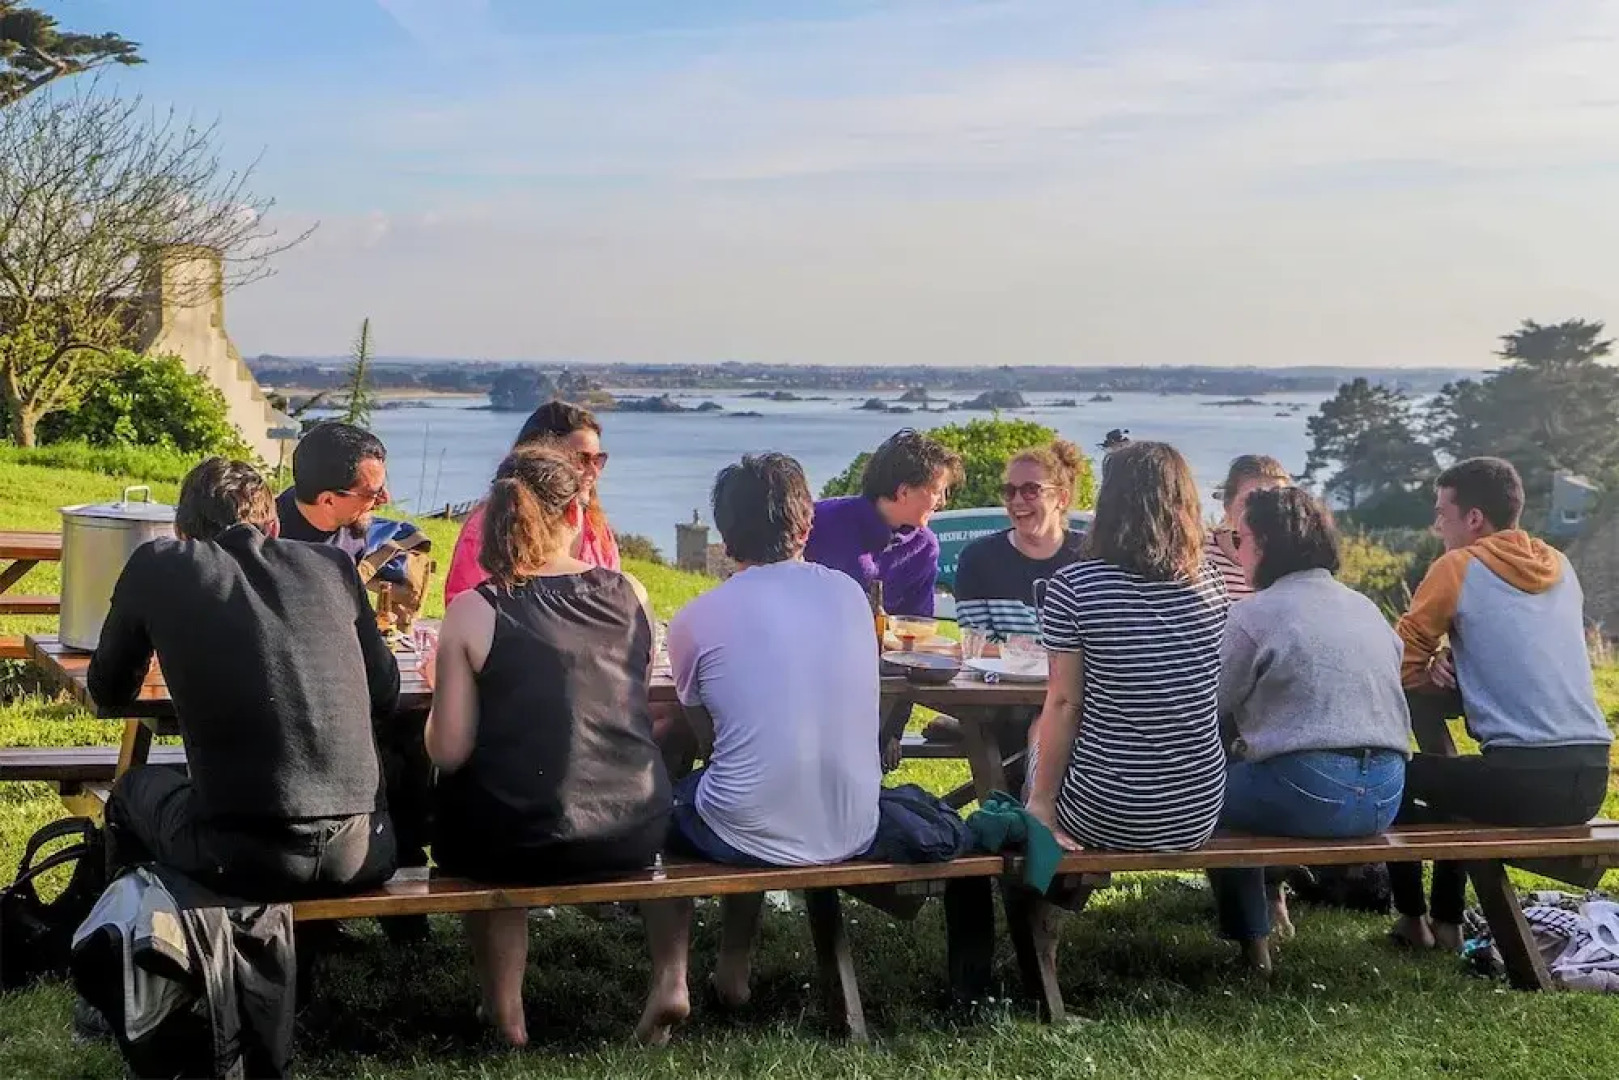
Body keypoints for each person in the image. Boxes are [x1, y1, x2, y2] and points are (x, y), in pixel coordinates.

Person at [420, 445, 684, 1048]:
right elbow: (629, 701)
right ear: (575, 513)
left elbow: (448, 752)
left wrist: (440, 696)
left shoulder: (473, 610)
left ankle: (506, 1009)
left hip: (518, 837)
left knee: (476, 802)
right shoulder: (632, 592)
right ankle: (672, 978)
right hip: (633, 827)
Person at [89, 457, 400, 901]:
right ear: (274, 526)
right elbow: (385, 692)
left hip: (241, 856)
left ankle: (131, 929)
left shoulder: (160, 563)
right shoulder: (334, 566)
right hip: (364, 851)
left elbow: (109, 690)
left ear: (181, 531)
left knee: (131, 789)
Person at [663, 453, 881, 1008]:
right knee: (744, 785)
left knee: (666, 803)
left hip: (749, 822)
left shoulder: (695, 619)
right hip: (853, 823)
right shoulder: (850, 595)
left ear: (726, 537)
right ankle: (733, 967)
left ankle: (672, 977)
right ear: (805, 526)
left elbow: (707, 742)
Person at [1389, 457, 1612, 951]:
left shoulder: (1457, 566)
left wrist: (1430, 670)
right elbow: (1521, 650)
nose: (1437, 525)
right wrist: (1454, 660)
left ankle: (1414, 920)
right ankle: (1448, 922)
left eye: (1442, 513)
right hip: (1592, 777)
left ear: (1473, 519)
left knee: (1392, 776)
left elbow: (1397, 661)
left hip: (1525, 781)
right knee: (1458, 784)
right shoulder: (1560, 566)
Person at [1205, 487, 1410, 970]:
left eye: (1241, 538)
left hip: (1309, 791)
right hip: (1385, 795)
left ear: (1265, 542)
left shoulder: (1252, 613)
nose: (1237, 550)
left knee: (1202, 797)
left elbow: (1211, 703)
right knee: (1251, 775)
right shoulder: (1366, 608)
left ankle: (1253, 944)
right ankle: (1273, 904)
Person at [1026, 440, 1228, 854]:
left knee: (1034, 735)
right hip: (1195, 814)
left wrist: (1042, 802)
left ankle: (1039, 876)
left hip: (1104, 812)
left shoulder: (1075, 587)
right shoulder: (1211, 584)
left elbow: (1065, 704)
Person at [443, 400, 618, 605]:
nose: (594, 471)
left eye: (598, 460)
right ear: (541, 457)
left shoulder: (597, 529)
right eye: (581, 459)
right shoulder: (491, 525)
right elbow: (465, 603)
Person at [804, 428, 962, 618]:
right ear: (904, 492)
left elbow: (917, 622)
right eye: (937, 492)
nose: (942, 502)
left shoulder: (924, 547)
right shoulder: (819, 520)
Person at [954, 438, 1088, 641]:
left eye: (1031, 490)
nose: (1017, 500)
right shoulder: (978, 559)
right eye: (1010, 491)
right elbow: (977, 644)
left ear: (1062, 498)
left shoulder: (1090, 558)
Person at [275, 421, 390, 561]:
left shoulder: (354, 526)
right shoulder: (270, 549)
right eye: (373, 493)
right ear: (328, 501)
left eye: (382, 486)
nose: (385, 498)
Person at [1205, 454, 1291, 602]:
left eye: (1278, 502)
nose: (1264, 512)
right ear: (1227, 505)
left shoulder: (1294, 561)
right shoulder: (1196, 554)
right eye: (1250, 501)